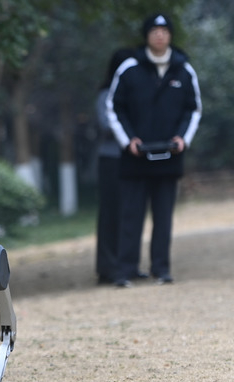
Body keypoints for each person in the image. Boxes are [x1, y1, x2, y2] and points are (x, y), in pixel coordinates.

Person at [106, 13, 202, 287]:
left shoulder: (184, 70)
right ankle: (125, 270)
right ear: (146, 35)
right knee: (131, 216)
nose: (159, 35)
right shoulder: (129, 69)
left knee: (163, 217)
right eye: (154, 31)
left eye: (164, 30)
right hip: (136, 158)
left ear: (170, 35)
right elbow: (114, 107)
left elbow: (193, 109)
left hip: (169, 157)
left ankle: (161, 268)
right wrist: (128, 140)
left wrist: (183, 138)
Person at [95, 48, 135, 284]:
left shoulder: (134, 92)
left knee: (130, 214)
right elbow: (106, 125)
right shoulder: (106, 95)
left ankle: (128, 265)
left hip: (133, 160)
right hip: (111, 159)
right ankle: (108, 268)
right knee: (111, 214)